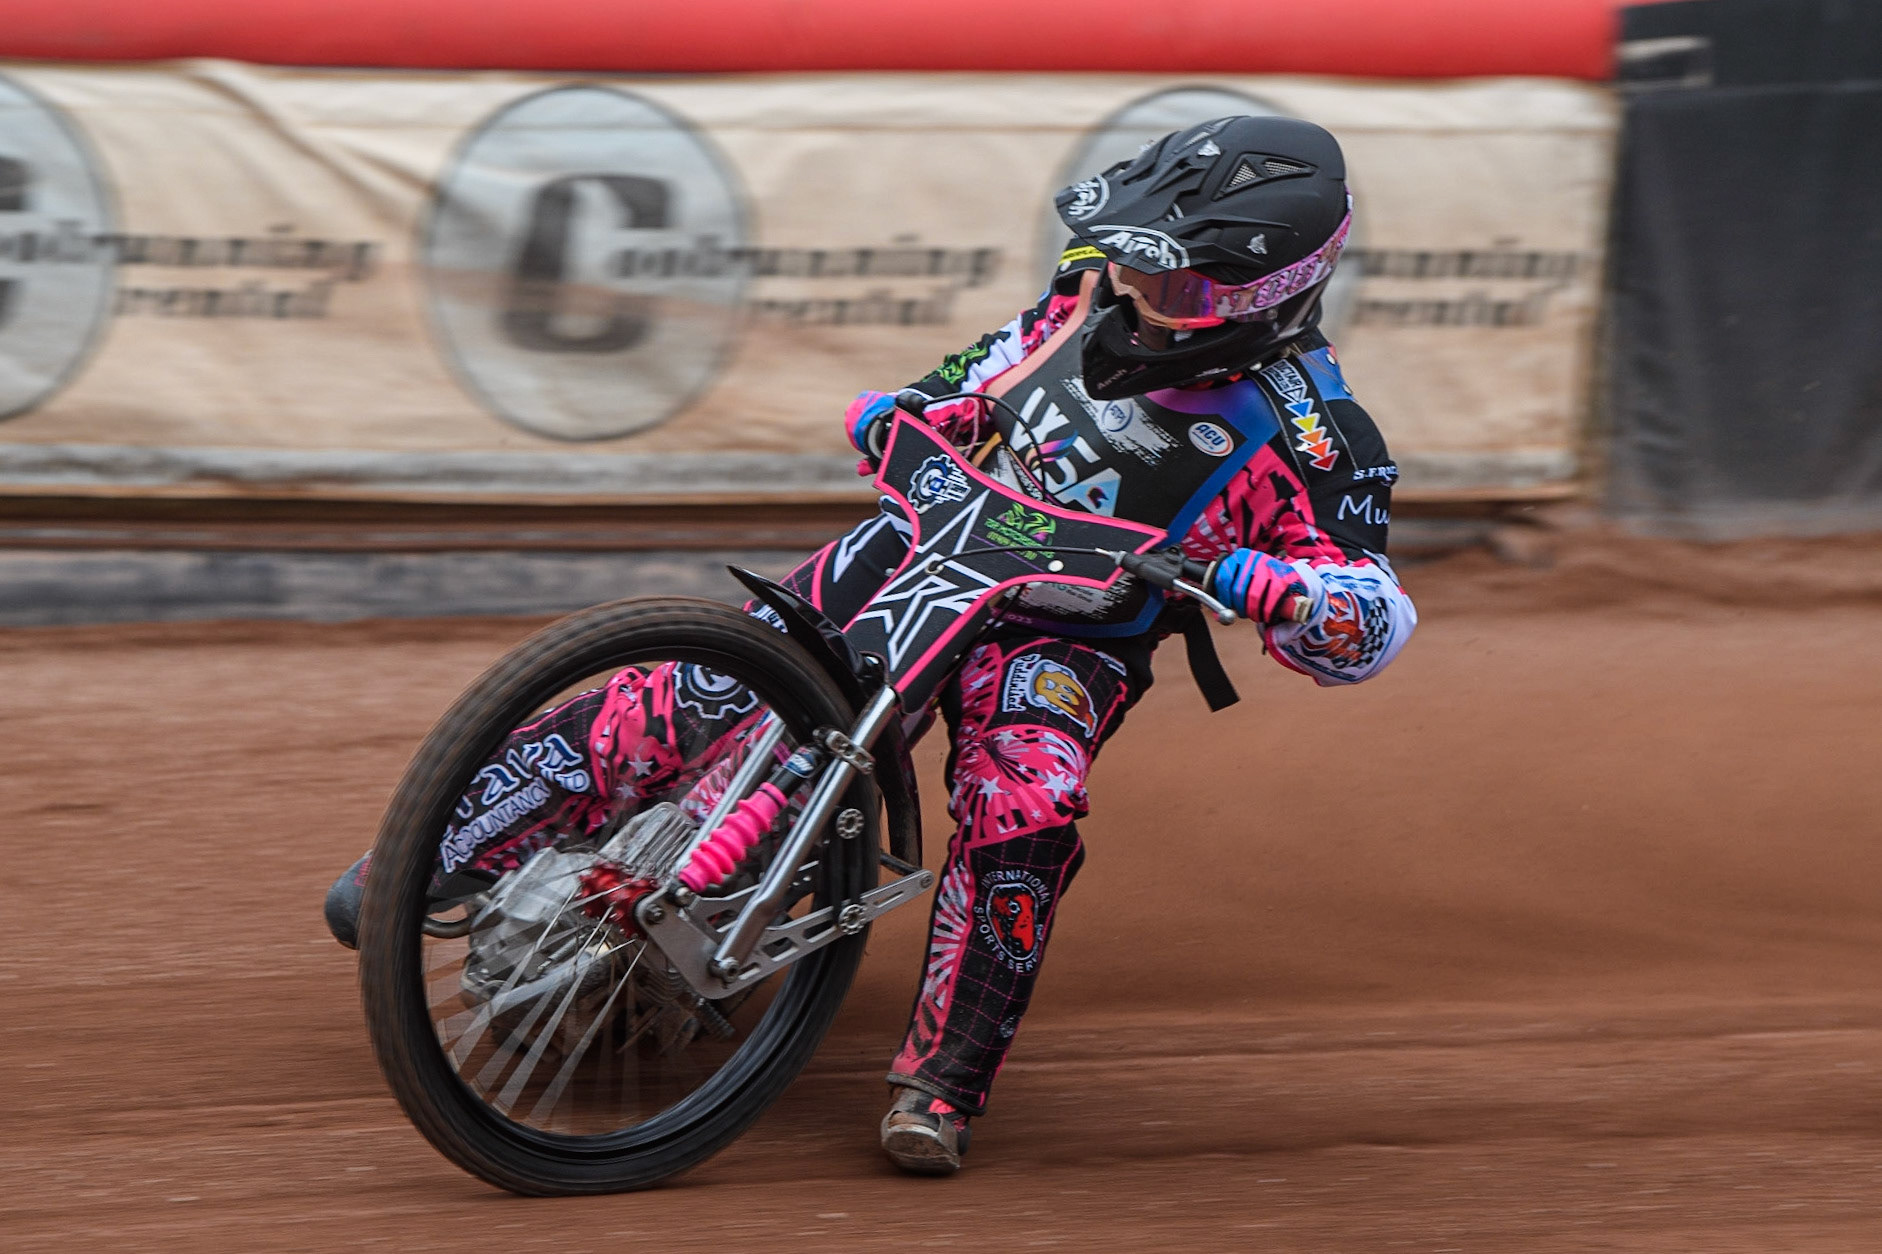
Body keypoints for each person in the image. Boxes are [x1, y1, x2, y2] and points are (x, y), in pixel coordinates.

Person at [326, 115, 1415, 1176]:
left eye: (1168, 287)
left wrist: (1257, 580)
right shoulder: (1079, 299)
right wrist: (912, 410)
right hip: (917, 547)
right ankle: (441, 846)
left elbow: (1371, 620)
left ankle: (945, 1076)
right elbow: (965, 381)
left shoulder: (1311, 430)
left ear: (1266, 294)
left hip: (1062, 632)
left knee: (1023, 801)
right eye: (1129, 267)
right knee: (691, 690)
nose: (1129, 295)